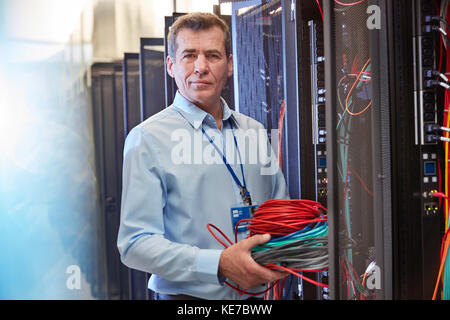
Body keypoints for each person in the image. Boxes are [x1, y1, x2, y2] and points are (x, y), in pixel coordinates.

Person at [117, 12, 289, 300]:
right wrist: (218, 263)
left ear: (230, 64)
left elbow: (280, 211)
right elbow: (135, 244)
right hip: (187, 300)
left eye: (212, 55)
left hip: (257, 297)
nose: (201, 67)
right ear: (171, 65)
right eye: (189, 55)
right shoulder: (148, 138)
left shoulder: (255, 131)